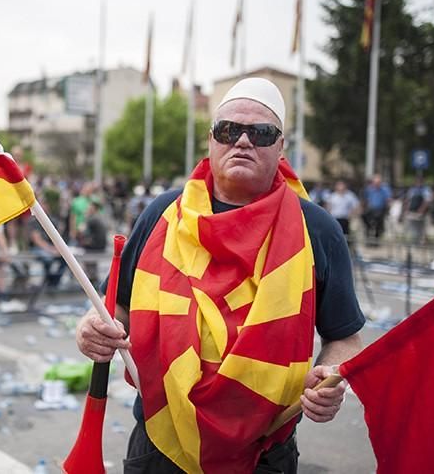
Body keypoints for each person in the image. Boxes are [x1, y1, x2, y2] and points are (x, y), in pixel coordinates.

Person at [76, 78, 364, 473]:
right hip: (161, 441)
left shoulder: (316, 229)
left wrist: (332, 376)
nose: (243, 141)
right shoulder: (163, 214)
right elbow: (116, 309)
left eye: (261, 133)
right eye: (229, 130)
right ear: (211, 139)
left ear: (281, 147)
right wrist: (91, 329)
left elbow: (345, 335)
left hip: (264, 451)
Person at [362, 174, 391, 244]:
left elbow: (388, 200)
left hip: (380, 209)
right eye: (375, 182)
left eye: (378, 182)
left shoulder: (385, 190)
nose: (376, 184)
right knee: (363, 216)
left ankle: (376, 240)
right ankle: (368, 233)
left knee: (379, 220)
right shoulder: (369, 189)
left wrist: (387, 209)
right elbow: (365, 200)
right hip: (371, 209)